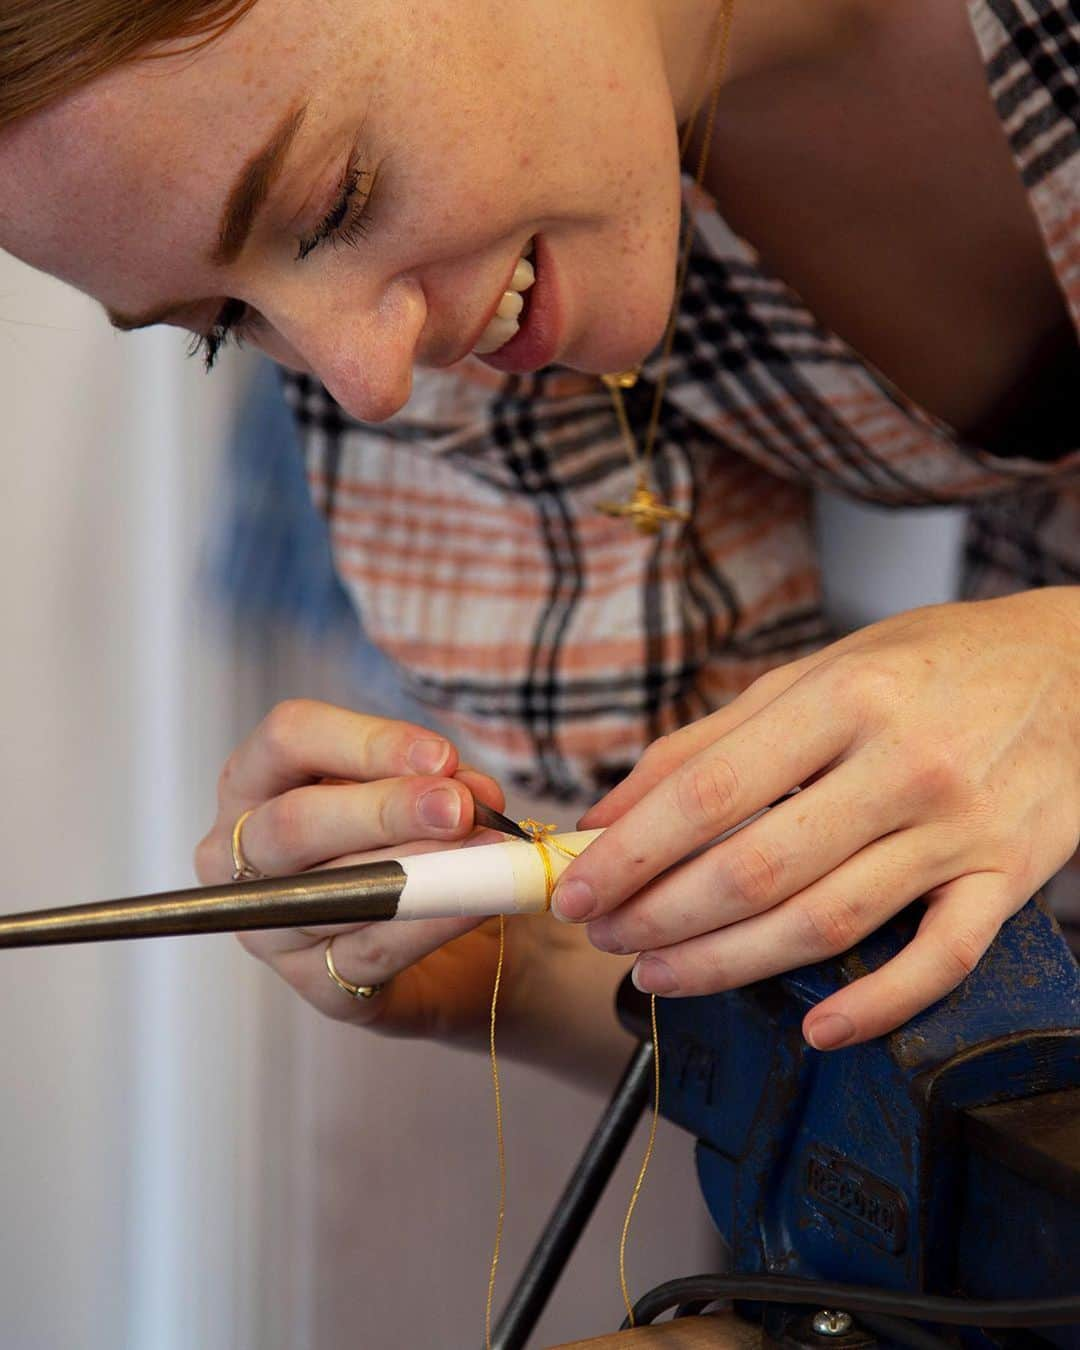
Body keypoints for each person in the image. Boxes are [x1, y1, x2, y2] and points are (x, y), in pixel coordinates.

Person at [1, 0, 1078, 1090]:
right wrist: (516, 961)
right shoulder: (447, 346)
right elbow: (746, 1000)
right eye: (225, 324)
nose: (365, 380)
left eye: (336, 202)